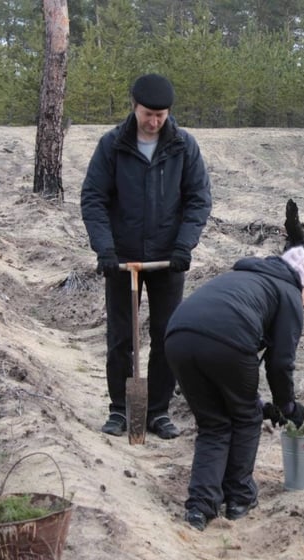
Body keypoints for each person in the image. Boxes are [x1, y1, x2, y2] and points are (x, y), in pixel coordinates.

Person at [81, 73, 212, 439]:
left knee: (167, 335)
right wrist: (105, 248)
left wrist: (184, 245)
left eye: (161, 115)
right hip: (121, 259)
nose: (154, 121)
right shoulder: (112, 145)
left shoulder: (184, 146)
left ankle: (157, 411)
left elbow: (199, 198)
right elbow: (93, 198)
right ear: (134, 106)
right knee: (121, 338)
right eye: (148, 113)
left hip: (167, 260)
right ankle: (121, 409)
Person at [164, 247, 304, 531]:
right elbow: (280, 364)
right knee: (246, 419)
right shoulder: (289, 293)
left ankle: (200, 508)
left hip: (177, 337)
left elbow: (234, 374)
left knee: (214, 424)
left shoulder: (245, 278)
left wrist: (264, 405)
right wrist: (288, 408)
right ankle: (239, 498)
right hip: (226, 341)